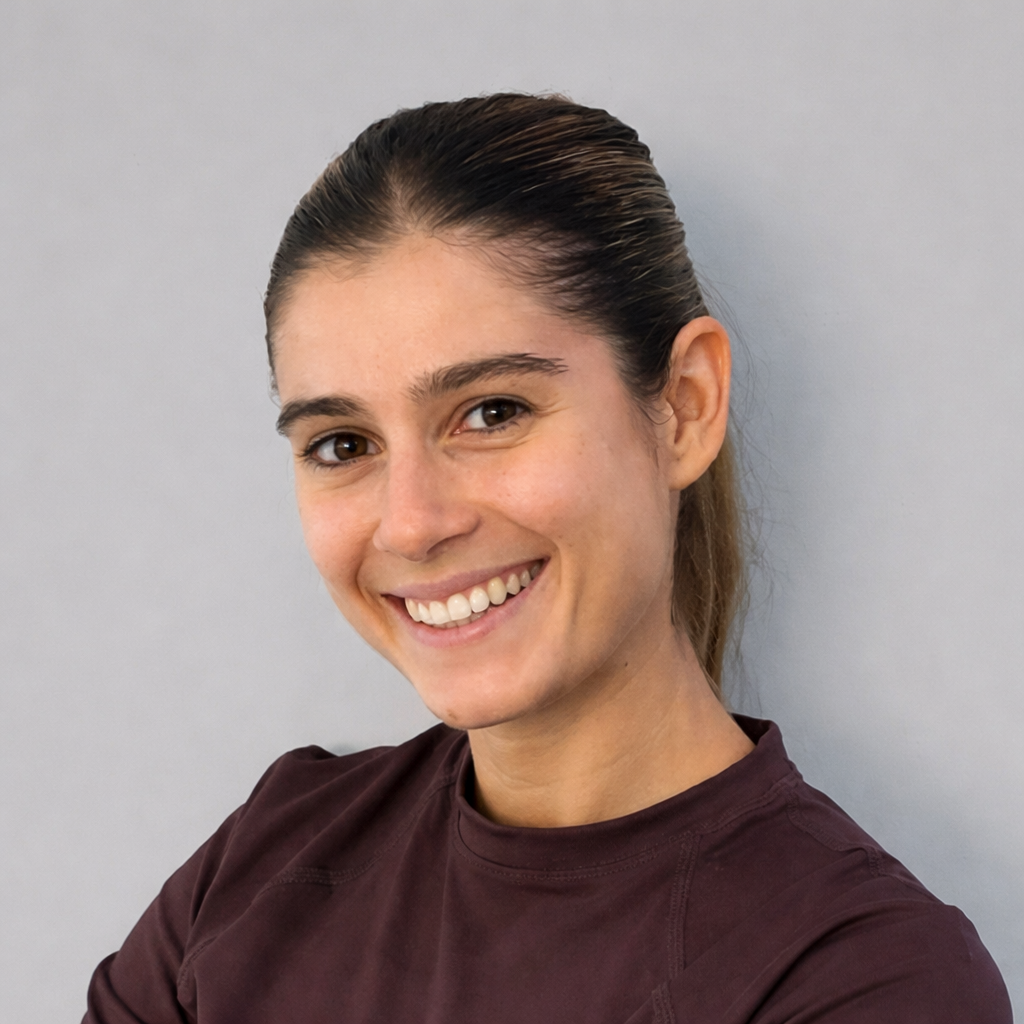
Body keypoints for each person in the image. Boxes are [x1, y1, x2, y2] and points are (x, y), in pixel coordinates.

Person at [83, 94, 1011, 1024]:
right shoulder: (264, 862)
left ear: (685, 405)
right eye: (342, 444)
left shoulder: (866, 977)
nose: (411, 524)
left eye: (492, 412)